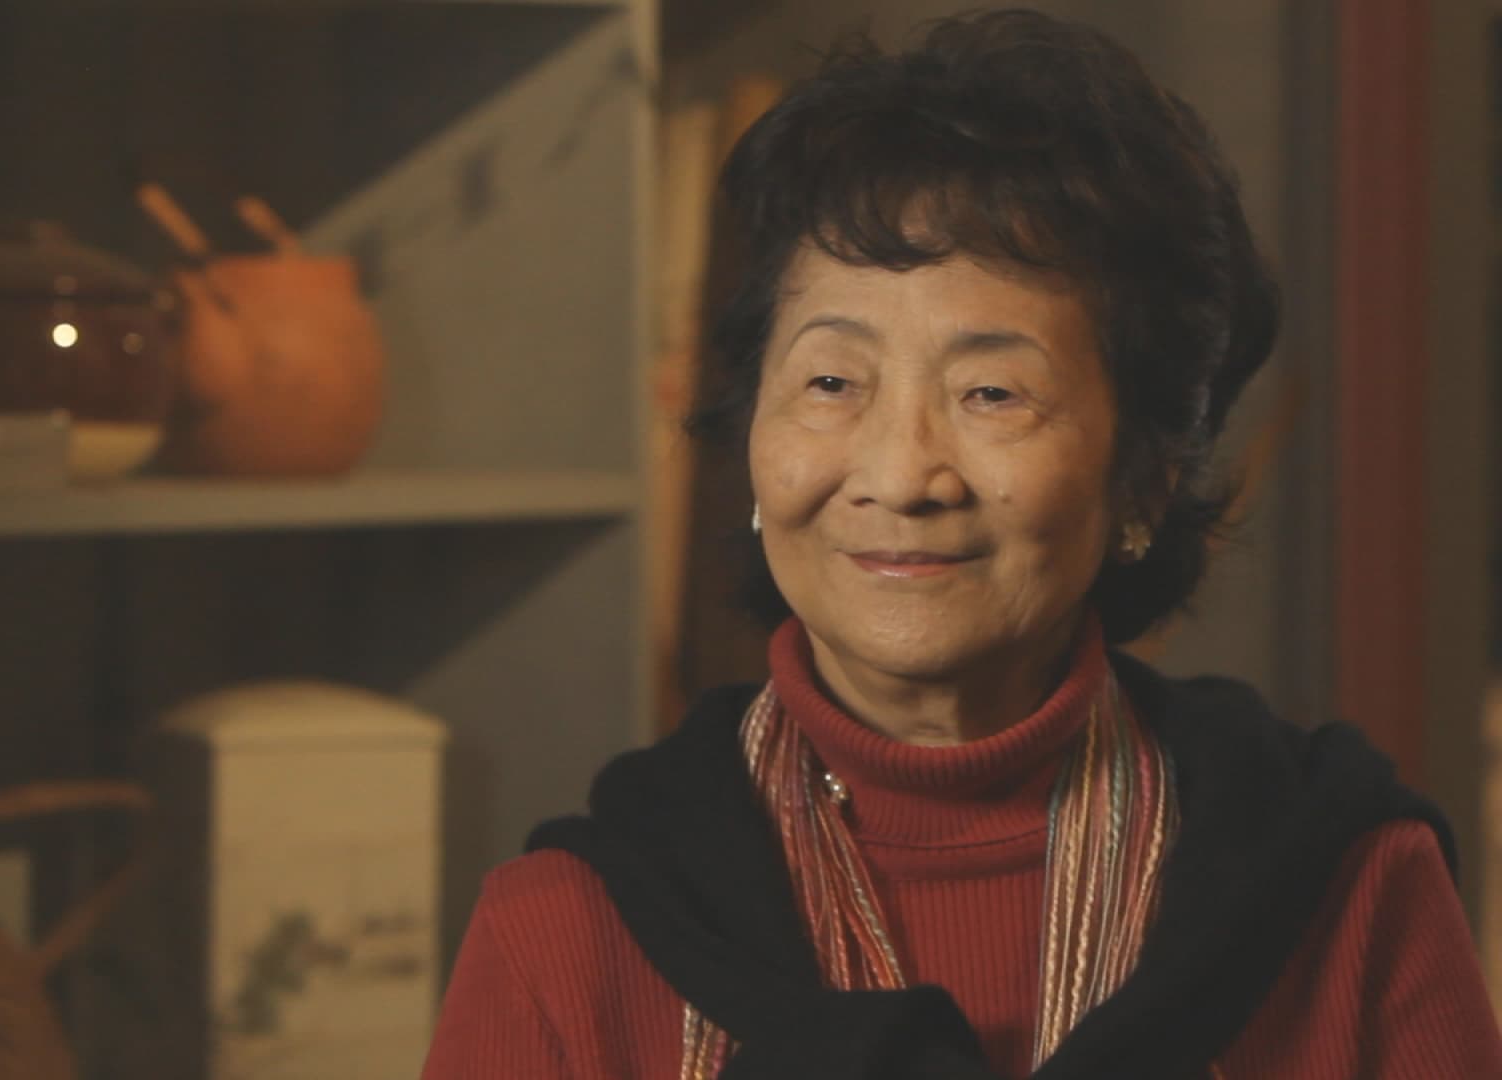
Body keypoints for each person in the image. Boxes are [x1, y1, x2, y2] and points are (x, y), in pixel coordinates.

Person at [420, 9, 1502, 1080]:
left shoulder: (1343, 887)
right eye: (831, 383)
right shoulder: (570, 929)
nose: (900, 476)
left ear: (1144, 478)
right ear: (750, 443)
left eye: (992, 392)